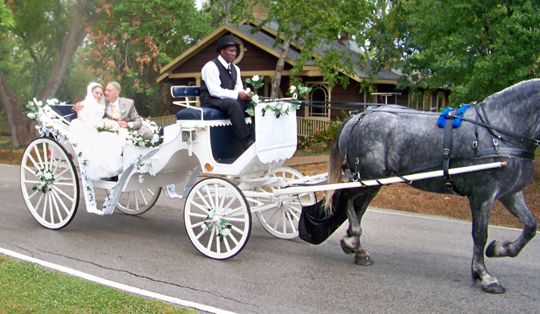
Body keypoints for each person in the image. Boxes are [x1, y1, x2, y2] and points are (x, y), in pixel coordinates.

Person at [200, 34, 254, 149]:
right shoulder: (211, 66)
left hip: (226, 100)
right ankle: (247, 141)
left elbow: (238, 88)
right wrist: (237, 95)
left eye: (235, 51)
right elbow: (214, 91)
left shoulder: (235, 68)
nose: (234, 54)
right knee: (233, 105)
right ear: (222, 51)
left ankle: (258, 135)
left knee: (251, 105)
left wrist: (245, 94)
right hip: (211, 100)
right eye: (231, 51)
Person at [70, 82, 127, 180]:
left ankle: (118, 168)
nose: (99, 96)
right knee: (103, 138)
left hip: (100, 126)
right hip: (87, 127)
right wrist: (74, 108)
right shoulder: (84, 104)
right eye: (96, 93)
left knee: (119, 135)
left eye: (101, 94)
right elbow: (84, 118)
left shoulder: (102, 105)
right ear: (90, 92)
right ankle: (108, 171)